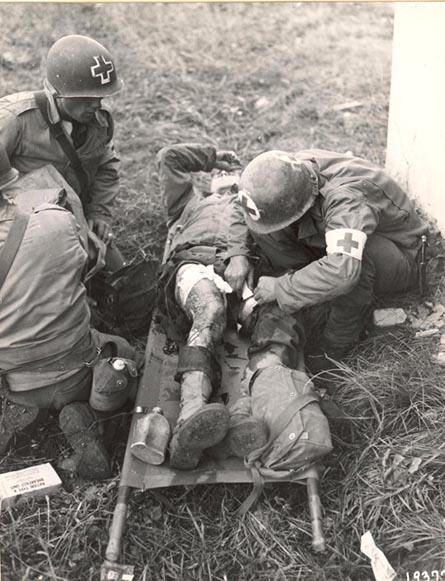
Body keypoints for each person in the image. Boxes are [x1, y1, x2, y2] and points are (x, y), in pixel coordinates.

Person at [0, 147, 140, 479]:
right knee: (127, 353)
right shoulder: (56, 217)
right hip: (77, 366)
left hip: (14, 384)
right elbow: (89, 267)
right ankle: (100, 410)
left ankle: (29, 412)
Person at [236, 148, 429, 375]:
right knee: (267, 227)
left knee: (355, 260)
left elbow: (343, 272)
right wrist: (237, 255)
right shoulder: (291, 174)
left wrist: (280, 287)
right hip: (335, 234)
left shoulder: (346, 200)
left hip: (401, 254)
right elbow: (239, 208)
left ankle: (334, 349)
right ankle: (307, 284)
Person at [157, 143, 268, 470]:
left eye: (234, 175)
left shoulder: (258, 208)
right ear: (209, 181)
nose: (226, 176)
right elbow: (169, 157)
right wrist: (212, 157)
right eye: (220, 173)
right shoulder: (189, 203)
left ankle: (244, 414)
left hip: (243, 273)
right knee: (209, 310)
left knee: (270, 321)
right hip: (195, 265)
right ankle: (189, 420)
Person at [0, 34, 126, 272]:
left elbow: (106, 169)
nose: (96, 104)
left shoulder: (99, 122)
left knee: (122, 274)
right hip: (27, 223)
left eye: (100, 97)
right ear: (56, 93)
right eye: (86, 98)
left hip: (76, 219)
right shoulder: (15, 118)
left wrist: (99, 214)